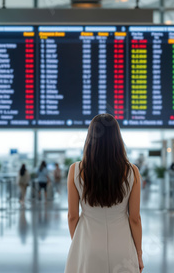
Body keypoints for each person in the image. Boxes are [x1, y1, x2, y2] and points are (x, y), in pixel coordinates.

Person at [65, 114, 144, 273]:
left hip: (88, 244)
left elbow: (72, 216)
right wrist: (139, 253)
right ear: (117, 139)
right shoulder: (132, 171)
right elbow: (134, 218)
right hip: (122, 246)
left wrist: (78, 243)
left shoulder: (75, 170)